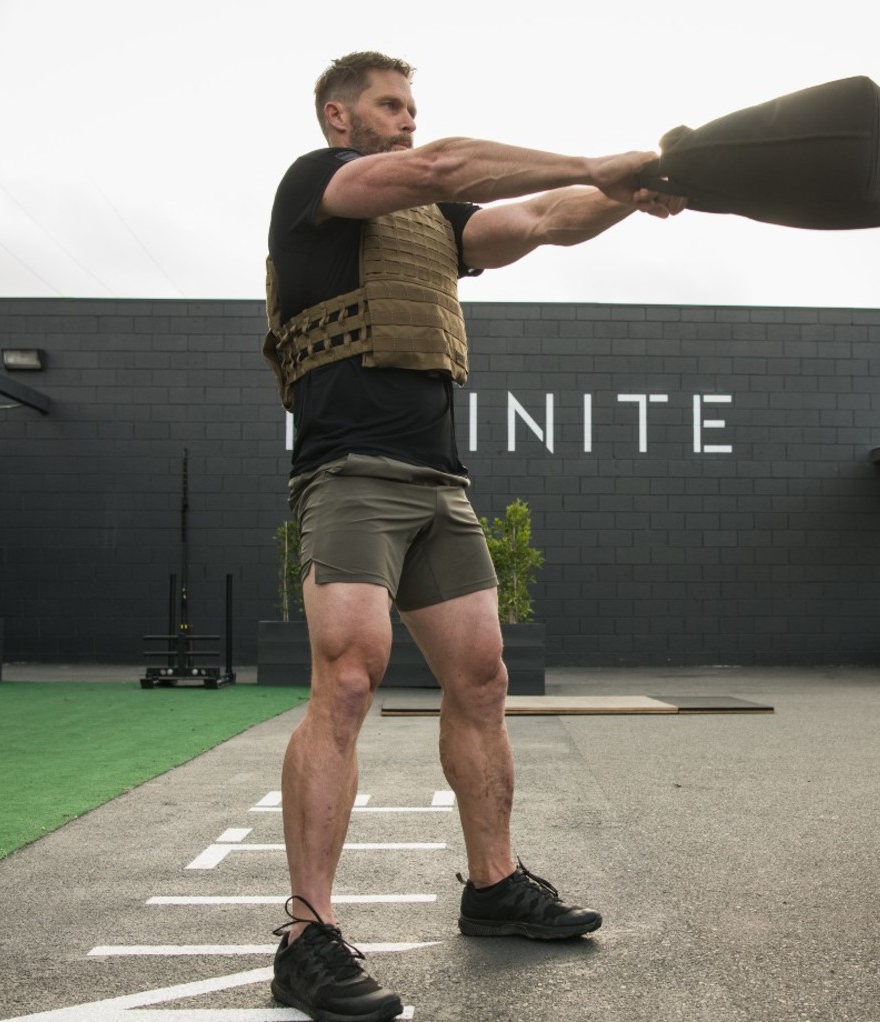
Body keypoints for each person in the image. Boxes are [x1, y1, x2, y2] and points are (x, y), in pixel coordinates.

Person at [263, 50, 685, 1022]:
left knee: (483, 679)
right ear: (340, 118)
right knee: (352, 675)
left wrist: (639, 187)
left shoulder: (435, 226)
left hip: (438, 483)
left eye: (414, 106)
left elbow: (541, 219)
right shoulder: (315, 185)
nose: (407, 120)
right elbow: (447, 165)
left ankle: (493, 886)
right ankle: (306, 931)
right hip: (350, 474)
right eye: (389, 105)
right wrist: (593, 157)